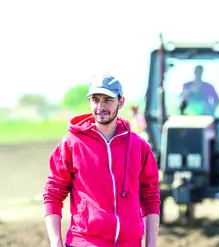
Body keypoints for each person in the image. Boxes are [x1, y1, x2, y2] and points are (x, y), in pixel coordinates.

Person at [43, 74, 160, 247]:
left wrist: (151, 244)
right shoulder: (71, 144)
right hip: (84, 242)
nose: (100, 106)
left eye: (108, 100)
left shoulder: (139, 146)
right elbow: (53, 194)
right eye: (95, 100)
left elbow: (150, 197)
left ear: (121, 102)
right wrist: (55, 242)